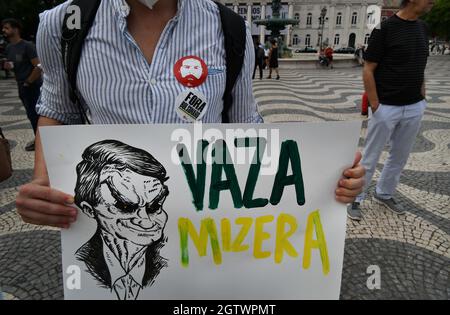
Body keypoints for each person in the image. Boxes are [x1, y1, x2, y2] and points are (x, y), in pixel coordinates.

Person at [16, 0, 364, 230]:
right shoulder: (62, 25)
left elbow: (247, 128)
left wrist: (322, 174)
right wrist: (41, 183)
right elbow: (56, 111)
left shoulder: (229, 27)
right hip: (111, 221)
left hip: (204, 232)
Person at [347, 0, 434, 221]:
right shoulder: (384, 29)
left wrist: (422, 92)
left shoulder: (423, 28)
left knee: (400, 155)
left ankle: (384, 192)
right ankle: (356, 198)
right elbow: (368, 69)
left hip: (414, 104)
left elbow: (420, 62)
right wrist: (376, 105)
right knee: (371, 155)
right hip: (386, 106)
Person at [74, 140, 169, 300]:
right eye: (125, 207)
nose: (146, 222)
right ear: (90, 210)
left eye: (154, 207)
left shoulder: (173, 261)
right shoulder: (80, 264)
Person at [2, 18, 42, 151]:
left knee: (36, 114)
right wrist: (8, 66)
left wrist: (28, 82)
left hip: (32, 86)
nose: (4, 30)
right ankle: (39, 138)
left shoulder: (27, 46)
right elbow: (13, 64)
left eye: (7, 27)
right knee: (30, 115)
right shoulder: (9, 47)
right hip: (21, 85)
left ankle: (41, 141)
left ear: (15, 29)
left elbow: (38, 66)